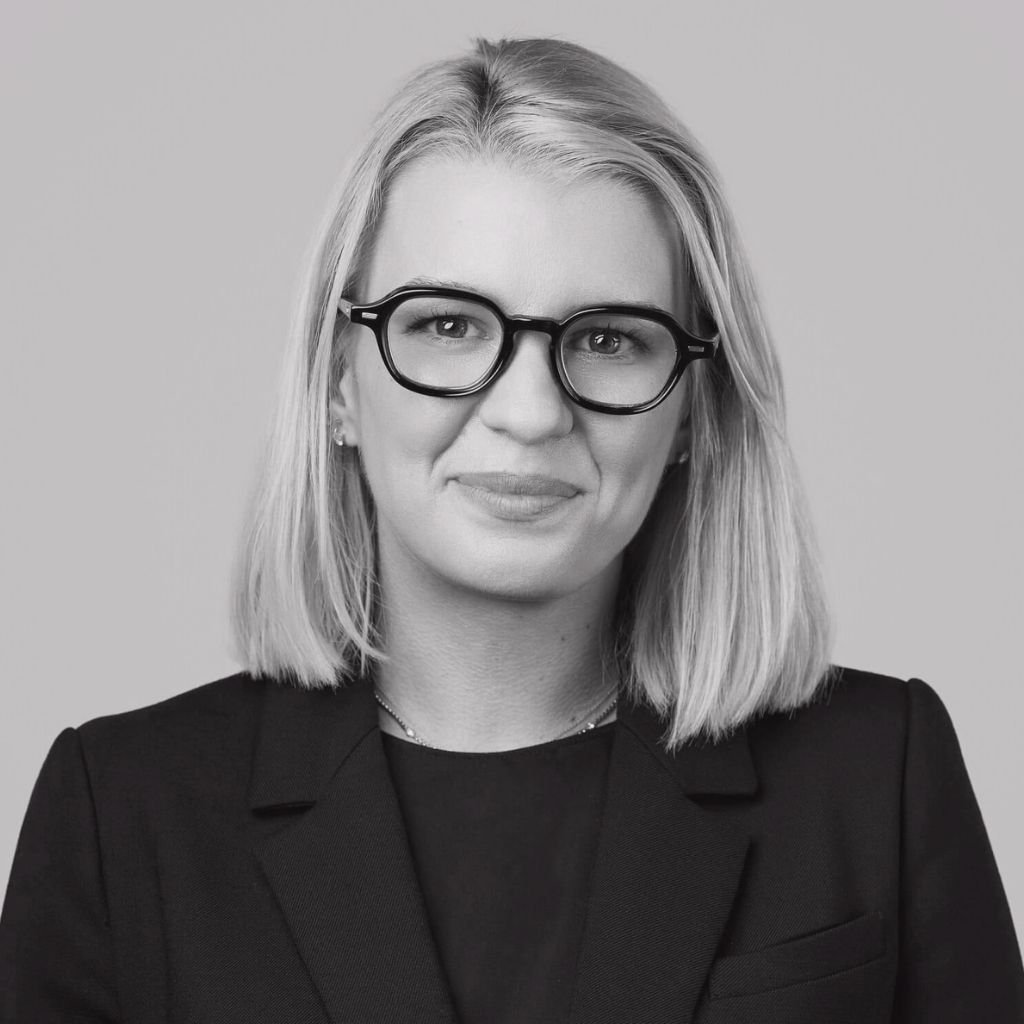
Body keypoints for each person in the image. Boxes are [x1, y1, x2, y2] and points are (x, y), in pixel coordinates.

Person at [1, 34, 1022, 1024]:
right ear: (338, 385)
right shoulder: (119, 813)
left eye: (609, 338)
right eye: (448, 324)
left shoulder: (875, 779)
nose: (531, 413)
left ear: (691, 412)